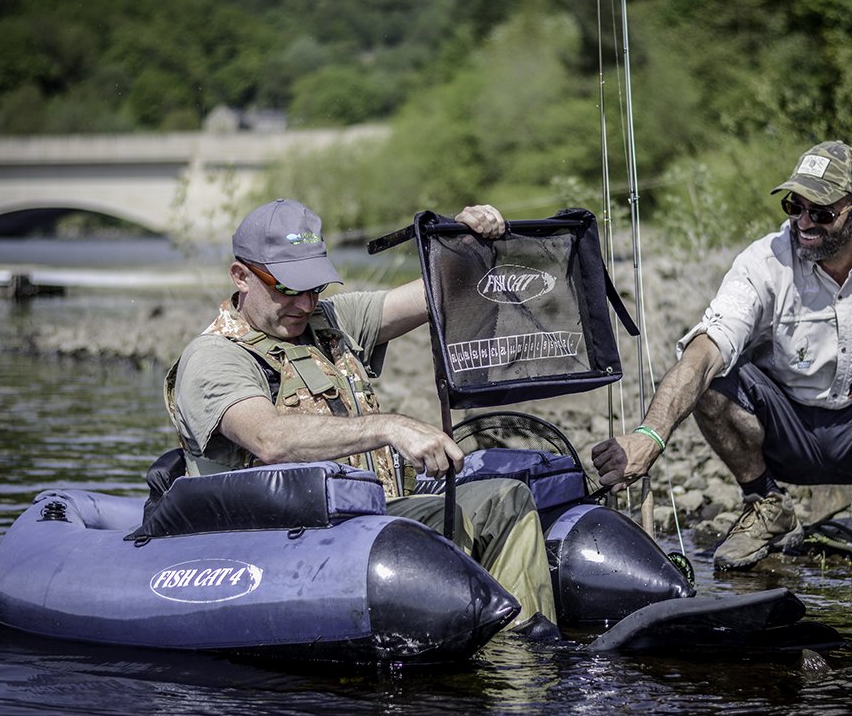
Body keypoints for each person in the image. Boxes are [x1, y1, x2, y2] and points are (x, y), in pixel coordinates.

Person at [163, 198, 557, 632]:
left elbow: (443, 289)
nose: (305, 304)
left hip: (369, 516)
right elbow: (268, 439)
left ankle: (522, 653)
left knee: (506, 499)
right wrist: (389, 426)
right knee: (433, 524)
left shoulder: (331, 320)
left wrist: (464, 242)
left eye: (315, 288)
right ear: (241, 276)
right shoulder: (214, 356)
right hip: (285, 542)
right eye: (288, 288)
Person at [591, 141, 852, 567]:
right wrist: (651, 434)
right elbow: (706, 350)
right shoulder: (763, 263)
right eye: (794, 207)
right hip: (788, 429)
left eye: (820, 213)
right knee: (712, 381)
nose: (803, 223)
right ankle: (766, 504)